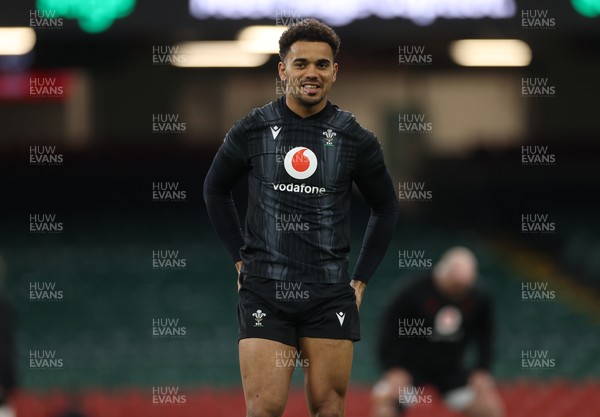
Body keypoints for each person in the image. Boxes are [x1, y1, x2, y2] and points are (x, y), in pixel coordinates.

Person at [204, 19, 399, 417]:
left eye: (322, 65)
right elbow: (214, 188)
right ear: (283, 70)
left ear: (334, 72)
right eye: (301, 63)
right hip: (265, 290)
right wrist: (239, 260)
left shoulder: (355, 139)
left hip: (328, 293)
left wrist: (360, 278)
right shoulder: (253, 129)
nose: (311, 73)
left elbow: (386, 206)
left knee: (328, 410)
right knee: (264, 411)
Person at [371, 247, 504, 417]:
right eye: (455, 285)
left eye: (464, 287)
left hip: (450, 369)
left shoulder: (478, 299)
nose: (459, 291)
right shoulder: (414, 292)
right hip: (410, 367)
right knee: (386, 403)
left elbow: (486, 336)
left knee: (489, 408)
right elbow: (388, 330)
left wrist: (482, 370)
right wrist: (393, 368)